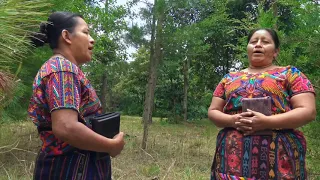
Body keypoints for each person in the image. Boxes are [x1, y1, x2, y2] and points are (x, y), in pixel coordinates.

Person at [208, 28, 316, 179]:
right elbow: (213, 111)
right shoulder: (229, 78)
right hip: (231, 156)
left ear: (276, 51)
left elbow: (308, 111)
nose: (258, 45)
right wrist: (234, 120)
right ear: (248, 48)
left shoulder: (291, 74)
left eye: (265, 42)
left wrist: (266, 122)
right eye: (253, 41)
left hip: (279, 155)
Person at [28, 11, 125, 180]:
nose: (92, 39)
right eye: (86, 32)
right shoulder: (62, 69)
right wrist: (111, 145)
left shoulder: (60, 68)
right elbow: (66, 127)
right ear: (66, 36)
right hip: (72, 168)